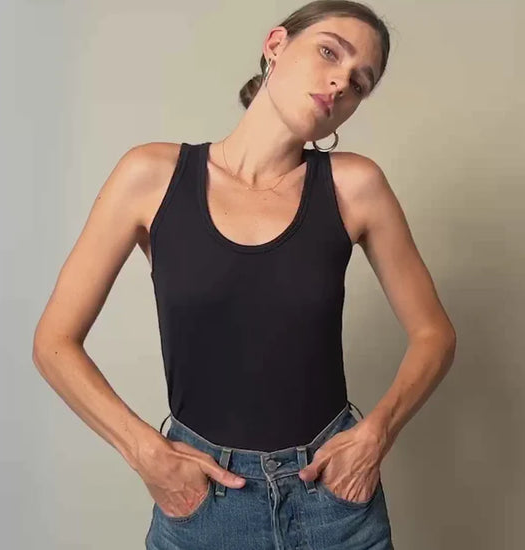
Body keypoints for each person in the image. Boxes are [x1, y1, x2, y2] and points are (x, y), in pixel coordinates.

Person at [32, 1, 457, 549]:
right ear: (276, 45)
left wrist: (376, 434)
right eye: (330, 52)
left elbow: (434, 334)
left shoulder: (355, 186)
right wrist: (146, 452)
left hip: (332, 501)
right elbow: (54, 343)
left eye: (359, 82)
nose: (340, 82)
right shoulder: (151, 176)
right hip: (204, 500)